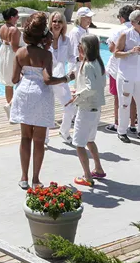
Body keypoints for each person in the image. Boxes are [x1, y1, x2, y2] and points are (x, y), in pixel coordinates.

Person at [10, 13, 68, 188]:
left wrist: (26, 75)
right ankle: (35, 179)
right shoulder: (46, 55)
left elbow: (14, 79)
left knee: (25, 137)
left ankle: (23, 178)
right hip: (41, 95)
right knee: (39, 140)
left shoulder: (20, 53)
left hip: (23, 94)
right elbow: (48, 80)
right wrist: (66, 78)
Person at [70, 35, 106, 186]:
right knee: (90, 140)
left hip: (86, 109)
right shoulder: (98, 63)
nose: (78, 46)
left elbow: (91, 88)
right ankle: (98, 168)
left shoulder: (88, 65)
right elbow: (99, 85)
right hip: (96, 108)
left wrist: (77, 96)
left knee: (79, 144)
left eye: (80, 45)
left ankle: (87, 176)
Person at [115, 10, 140, 144]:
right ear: (132, 23)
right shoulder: (125, 34)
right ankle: (122, 131)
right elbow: (116, 53)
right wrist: (130, 52)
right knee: (124, 104)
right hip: (126, 74)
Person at [105, 5, 137, 134]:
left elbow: (112, 49)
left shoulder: (118, 30)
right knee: (133, 97)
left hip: (118, 68)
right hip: (134, 68)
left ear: (122, 18)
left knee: (118, 97)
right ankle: (133, 124)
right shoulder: (138, 29)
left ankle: (117, 123)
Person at [48, 11, 76, 145]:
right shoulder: (45, 39)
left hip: (61, 79)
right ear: (50, 23)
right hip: (47, 80)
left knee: (70, 107)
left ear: (63, 24)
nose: (57, 24)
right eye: (54, 21)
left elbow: (71, 57)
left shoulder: (66, 40)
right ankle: (45, 139)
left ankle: (64, 131)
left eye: (60, 21)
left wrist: (75, 66)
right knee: (47, 110)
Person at [0, 8, 21, 115]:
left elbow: (3, 41)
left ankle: (11, 107)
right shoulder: (14, 30)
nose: (18, 18)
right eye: (17, 16)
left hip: (3, 53)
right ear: (12, 17)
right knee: (20, 81)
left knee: (8, 83)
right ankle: (11, 105)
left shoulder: (2, 27)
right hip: (11, 56)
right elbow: (15, 48)